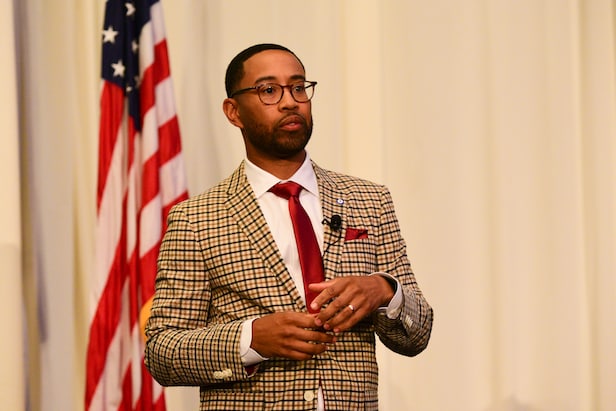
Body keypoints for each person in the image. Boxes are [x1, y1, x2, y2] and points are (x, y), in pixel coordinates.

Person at [145, 43, 433, 411]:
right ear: (234, 112)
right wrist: (251, 338)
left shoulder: (369, 200)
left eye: (299, 87)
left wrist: (384, 290)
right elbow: (161, 351)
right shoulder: (196, 218)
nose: (290, 102)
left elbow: (418, 332)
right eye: (269, 90)